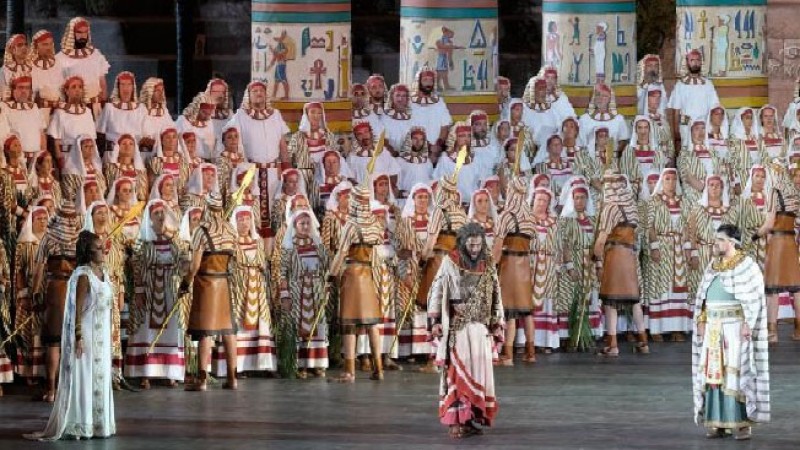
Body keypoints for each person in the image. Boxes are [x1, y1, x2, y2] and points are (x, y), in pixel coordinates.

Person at [24, 230, 116, 440]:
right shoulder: (83, 275)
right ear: (88, 251)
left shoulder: (104, 273)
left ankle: (99, 424)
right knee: (84, 378)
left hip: (101, 337)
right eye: (98, 248)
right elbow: (77, 309)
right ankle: (79, 424)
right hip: (86, 336)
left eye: (103, 247)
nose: (103, 250)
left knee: (99, 378)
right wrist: (78, 336)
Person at [692, 224, 769, 441]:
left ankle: (743, 424)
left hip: (735, 326)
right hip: (714, 328)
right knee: (714, 375)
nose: (715, 244)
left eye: (719, 240)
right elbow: (704, 296)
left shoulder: (747, 266)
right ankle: (718, 423)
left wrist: (748, 322)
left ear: (731, 242)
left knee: (737, 373)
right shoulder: (713, 266)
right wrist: (702, 318)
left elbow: (753, 299)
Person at [428, 222, 503, 439]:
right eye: (470, 245)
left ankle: (469, 419)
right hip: (457, 327)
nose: (474, 249)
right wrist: (435, 322)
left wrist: (496, 320)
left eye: (478, 245)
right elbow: (437, 290)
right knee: (457, 375)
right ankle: (455, 423)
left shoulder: (487, 263)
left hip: (479, 327)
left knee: (476, 374)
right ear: (462, 243)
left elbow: (496, 291)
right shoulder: (450, 261)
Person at [125, 199, 188, 389]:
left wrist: (186, 263)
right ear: (149, 218)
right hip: (149, 288)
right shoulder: (142, 242)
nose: (160, 217)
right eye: (156, 214)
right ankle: (145, 373)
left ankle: (171, 373)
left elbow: (182, 261)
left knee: (171, 330)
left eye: (162, 213)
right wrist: (139, 291)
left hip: (169, 288)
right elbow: (136, 267)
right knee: (146, 330)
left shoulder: (174, 240)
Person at [182, 193, 239, 391]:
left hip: (206, 283)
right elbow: (235, 259)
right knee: (228, 330)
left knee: (206, 331)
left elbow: (195, 265)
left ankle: (202, 379)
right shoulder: (231, 229)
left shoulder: (201, 231)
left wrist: (185, 283)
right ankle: (233, 378)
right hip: (225, 283)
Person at [329, 183, 386, 382]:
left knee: (349, 324)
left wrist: (331, 274)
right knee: (371, 324)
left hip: (352, 274)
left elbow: (342, 252)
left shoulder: (351, 225)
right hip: (369, 273)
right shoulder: (374, 224)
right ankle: (378, 368)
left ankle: (349, 371)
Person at [228, 80, 291, 239]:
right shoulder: (240, 116)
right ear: (248, 95)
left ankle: (272, 253)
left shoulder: (275, 115)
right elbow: (230, 140)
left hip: (273, 171)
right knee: (254, 213)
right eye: (254, 91)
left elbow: (282, 144)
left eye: (261, 90)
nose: (258, 93)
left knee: (274, 211)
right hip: (251, 172)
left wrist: (286, 167)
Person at [594, 171, 648, 356]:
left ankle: (612, 345)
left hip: (615, 255)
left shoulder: (610, 207)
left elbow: (601, 240)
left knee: (610, 301)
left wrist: (596, 259)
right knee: (634, 300)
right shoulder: (631, 206)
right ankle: (643, 342)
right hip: (630, 256)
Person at [33, 201, 80, 402]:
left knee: (53, 342)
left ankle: (51, 390)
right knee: (72, 340)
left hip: (56, 289)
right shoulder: (80, 238)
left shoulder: (49, 237)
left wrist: (35, 292)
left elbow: (39, 269)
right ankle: (68, 389)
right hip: (76, 289)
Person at [277, 209, 330, 378]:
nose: (306, 226)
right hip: (296, 289)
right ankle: (300, 365)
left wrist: (326, 286)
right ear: (295, 225)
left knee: (318, 325)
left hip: (315, 290)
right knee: (298, 327)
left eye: (308, 223)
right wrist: (284, 294)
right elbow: (281, 272)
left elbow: (327, 268)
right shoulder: (288, 247)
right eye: (302, 223)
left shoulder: (318, 245)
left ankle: (316, 364)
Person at [645, 168, 692, 341]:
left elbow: (687, 226)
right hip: (662, 244)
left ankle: (676, 329)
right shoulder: (654, 201)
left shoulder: (683, 201)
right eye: (667, 179)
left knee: (678, 288)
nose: (670, 182)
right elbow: (649, 225)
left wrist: (687, 247)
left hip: (678, 247)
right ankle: (657, 328)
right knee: (660, 286)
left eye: (673, 179)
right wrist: (654, 246)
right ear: (661, 181)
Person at [493, 178, 537, 364]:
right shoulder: (530, 216)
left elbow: (497, 246)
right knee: (526, 311)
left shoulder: (506, 215)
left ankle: (508, 354)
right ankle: (531, 353)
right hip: (525, 265)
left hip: (510, 264)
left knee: (509, 310)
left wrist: (491, 265)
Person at [13, 206, 49, 386]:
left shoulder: (50, 243)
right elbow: (19, 271)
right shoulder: (25, 244)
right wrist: (24, 295)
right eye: (39, 219)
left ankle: (44, 371)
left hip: (47, 295)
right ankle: (29, 372)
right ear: (31, 222)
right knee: (27, 333)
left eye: (45, 219)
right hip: (29, 294)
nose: (43, 222)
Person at [55, 17, 110, 117]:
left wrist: (103, 104)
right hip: (71, 109)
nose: (82, 36)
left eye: (85, 32)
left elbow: (103, 83)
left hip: (95, 107)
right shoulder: (60, 58)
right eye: (79, 32)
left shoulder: (96, 55)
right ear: (72, 34)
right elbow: (58, 88)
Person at [668, 49, 720, 148]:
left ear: (701, 62)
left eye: (697, 60)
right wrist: (676, 133)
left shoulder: (708, 84)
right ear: (687, 63)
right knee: (686, 155)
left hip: (704, 126)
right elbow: (676, 110)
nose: (695, 63)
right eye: (692, 60)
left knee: (703, 153)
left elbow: (715, 107)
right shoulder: (680, 85)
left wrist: (714, 128)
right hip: (686, 126)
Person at [97, 71, 145, 156]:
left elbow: (144, 134)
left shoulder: (141, 108)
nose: (125, 88)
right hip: (112, 153)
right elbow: (100, 132)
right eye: (122, 84)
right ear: (118, 87)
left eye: (129, 84)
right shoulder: (109, 108)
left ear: (133, 87)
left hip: (134, 153)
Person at [3, 75, 46, 165]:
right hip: (16, 158)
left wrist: (43, 155)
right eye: (20, 87)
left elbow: (41, 134)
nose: (23, 91)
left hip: (35, 159)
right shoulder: (5, 108)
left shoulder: (35, 108)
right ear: (13, 90)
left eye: (27, 88)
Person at [409, 64, 452, 155]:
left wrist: (438, 145)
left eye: (431, 80)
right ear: (418, 81)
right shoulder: (409, 103)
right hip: (414, 151)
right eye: (425, 80)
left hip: (435, 152)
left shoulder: (439, 102)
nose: (428, 83)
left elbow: (445, 126)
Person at [29, 30, 64, 122]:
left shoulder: (58, 64)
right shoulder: (29, 66)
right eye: (45, 44)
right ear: (36, 46)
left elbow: (62, 88)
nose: (48, 47)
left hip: (57, 112)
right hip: (37, 112)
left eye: (50, 44)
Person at [138, 78, 175, 160]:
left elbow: (172, 130)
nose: (161, 93)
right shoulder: (140, 110)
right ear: (149, 92)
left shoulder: (164, 111)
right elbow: (136, 135)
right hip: (145, 154)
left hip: (164, 154)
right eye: (157, 91)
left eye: (162, 90)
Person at [176, 92, 216, 162]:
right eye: (204, 113)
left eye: (209, 113)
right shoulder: (182, 121)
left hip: (206, 162)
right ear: (196, 109)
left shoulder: (209, 122)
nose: (207, 116)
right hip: (186, 161)